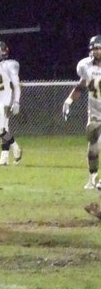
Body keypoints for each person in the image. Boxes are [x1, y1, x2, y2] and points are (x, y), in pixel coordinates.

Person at [62, 35, 101, 189]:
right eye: (93, 49)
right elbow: (81, 85)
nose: (96, 52)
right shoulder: (85, 66)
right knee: (93, 148)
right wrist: (69, 100)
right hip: (95, 112)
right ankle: (92, 179)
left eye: (98, 48)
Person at [0, 41, 22, 166]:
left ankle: (16, 147)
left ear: (4, 52)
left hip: (5, 101)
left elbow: (16, 86)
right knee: (4, 129)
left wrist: (16, 102)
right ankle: (4, 158)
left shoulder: (10, 65)